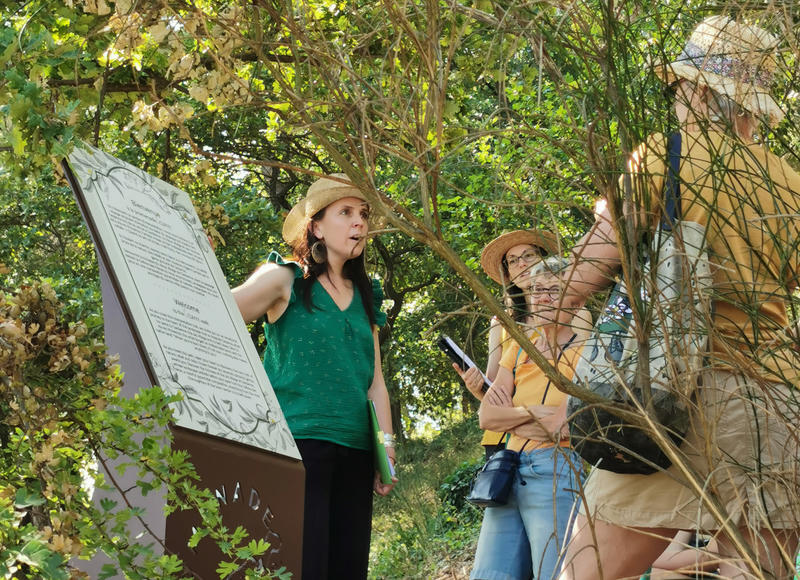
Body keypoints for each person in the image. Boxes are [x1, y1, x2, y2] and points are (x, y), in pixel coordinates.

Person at [548, 16, 800, 579]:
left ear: (700, 90)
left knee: (585, 572)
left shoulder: (666, 155)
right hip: (775, 405)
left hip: (675, 394)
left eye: (679, 87)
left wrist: (552, 300)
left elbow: (583, 277)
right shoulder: (790, 182)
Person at [232, 173, 397, 579]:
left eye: (364, 214)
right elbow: (218, 312)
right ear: (317, 227)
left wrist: (386, 449)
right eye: (346, 212)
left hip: (357, 453)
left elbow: (375, 382)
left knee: (348, 570)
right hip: (297, 446)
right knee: (303, 567)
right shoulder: (284, 278)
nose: (359, 222)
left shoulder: (367, 296)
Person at [461, 256, 588, 580]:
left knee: (555, 573)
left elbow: (560, 426)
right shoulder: (519, 349)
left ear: (575, 301)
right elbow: (487, 416)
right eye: (537, 290)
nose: (543, 298)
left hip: (556, 468)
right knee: (489, 576)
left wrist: (512, 416)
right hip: (507, 469)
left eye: (554, 290)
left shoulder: (587, 351)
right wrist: (531, 412)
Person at [459, 229, 559, 459]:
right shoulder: (501, 323)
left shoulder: (570, 313)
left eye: (529, 255)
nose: (521, 264)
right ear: (508, 273)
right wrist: (476, 388)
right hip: (503, 439)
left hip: (553, 430)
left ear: (545, 261)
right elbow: (494, 390)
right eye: (512, 261)